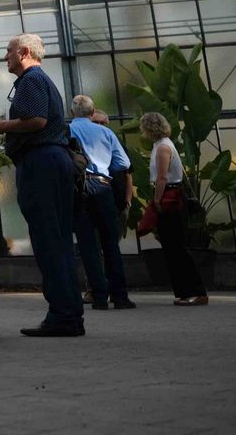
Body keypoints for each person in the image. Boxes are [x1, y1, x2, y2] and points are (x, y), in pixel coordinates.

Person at [0, 33, 85, 337]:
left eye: (9, 51)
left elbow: (36, 121)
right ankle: (68, 312)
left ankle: (63, 316)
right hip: (51, 161)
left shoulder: (31, 80)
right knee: (56, 239)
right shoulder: (40, 80)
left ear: (25, 52)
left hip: (41, 163)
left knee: (48, 240)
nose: (5, 57)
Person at [69, 95, 136, 311]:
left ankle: (99, 296)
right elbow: (122, 163)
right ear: (92, 112)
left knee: (88, 245)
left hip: (78, 189)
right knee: (110, 243)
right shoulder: (106, 133)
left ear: (72, 113)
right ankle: (121, 296)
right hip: (103, 187)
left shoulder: (66, 132)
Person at [141, 112, 208, 306]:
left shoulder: (162, 147)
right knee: (172, 247)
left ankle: (195, 290)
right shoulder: (163, 145)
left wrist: (157, 199)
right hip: (172, 195)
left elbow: (162, 177)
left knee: (176, 246)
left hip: (169, 196)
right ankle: (185, 290)